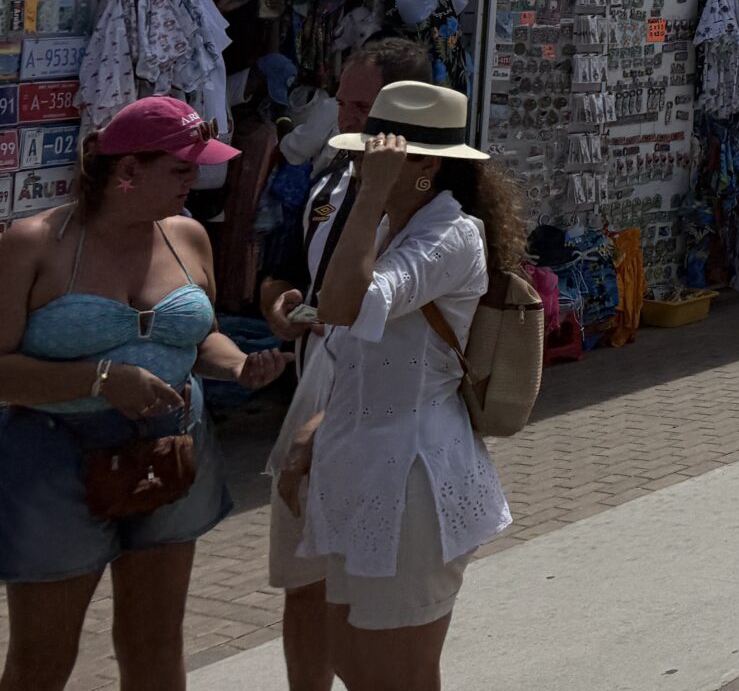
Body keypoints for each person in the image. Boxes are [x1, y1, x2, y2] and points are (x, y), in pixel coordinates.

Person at [1, 100, 289, 691]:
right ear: (127, 168)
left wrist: (238, 367)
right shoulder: (32, 243)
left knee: (155, 640)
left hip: (168, 450)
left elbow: (201, 336)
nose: (198, 182)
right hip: (55, 456)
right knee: (43, 656)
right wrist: (102, 380)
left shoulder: (187, 236)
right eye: (181, 170)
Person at [282, 81, 520, 686]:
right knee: (354, 665)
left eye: (381, 154)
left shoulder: (453, 233)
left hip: (414, 478)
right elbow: (349, 350)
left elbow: (341, 305)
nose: (363, 164)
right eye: (365, 152)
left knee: (397, 675)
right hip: (357, 465)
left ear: (428, 166)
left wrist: (367, 201)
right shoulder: (390, 226)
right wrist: (319, 425)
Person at [257, 39, 434, 691]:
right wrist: (279, 305)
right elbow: (278, 269)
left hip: (383, 409)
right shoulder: (326, 176)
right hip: (312, 387)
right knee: (303, 583)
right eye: (345, 101)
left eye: (365, 106)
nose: (349, 117)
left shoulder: (432, 204)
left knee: (362, 597)